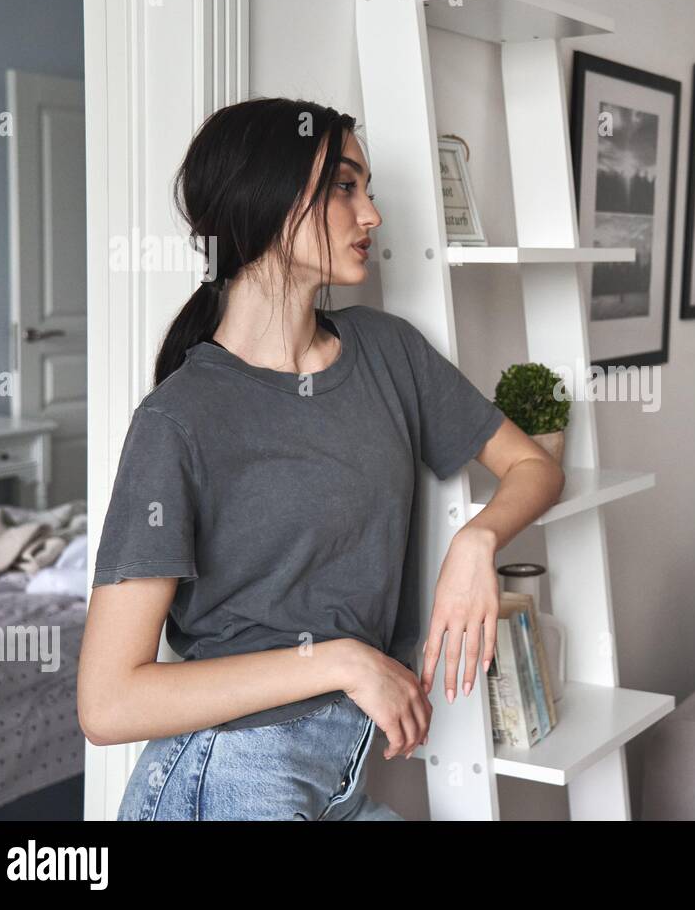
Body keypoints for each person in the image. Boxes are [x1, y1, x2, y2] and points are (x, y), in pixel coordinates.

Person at [78, 97, 565, 820]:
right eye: (344, 186)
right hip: (229, 778)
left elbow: (536, 467)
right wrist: (338, 659)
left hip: (338, 779)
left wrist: (478, 539)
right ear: (265, 198)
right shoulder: (179, 420)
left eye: (366, 189)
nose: (370, 214)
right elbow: (109, 701)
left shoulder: (387, 353)